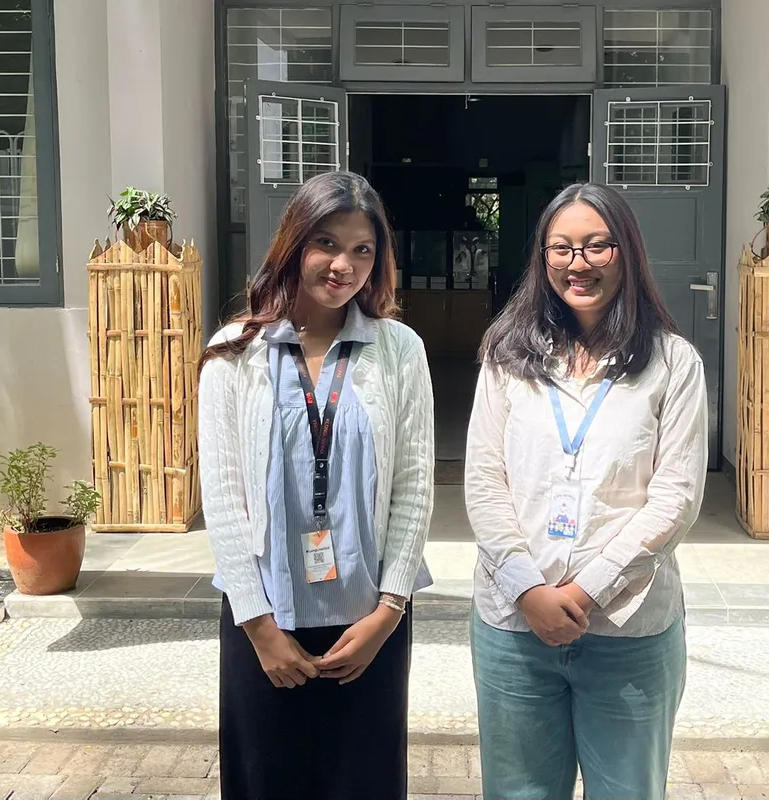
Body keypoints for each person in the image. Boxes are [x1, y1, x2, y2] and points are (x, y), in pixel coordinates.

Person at [465, 182, 708, 800]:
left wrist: (583, 590)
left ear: (626, 252)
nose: (579, 263)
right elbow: (483, 482)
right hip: (513, 625)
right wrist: (529, 589)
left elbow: (675, 498)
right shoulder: (506, 352)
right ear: (542, 258)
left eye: (598, 247)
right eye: (562, 248)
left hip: (629, 629)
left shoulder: (673, 363)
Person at [198, 170, 435, 800]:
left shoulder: (399, 350)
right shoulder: (235, 353)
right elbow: (221, 497)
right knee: (265, 782)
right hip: (266, 618)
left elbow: (413, 487)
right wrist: (260, 629)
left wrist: (390, 611)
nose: (344, 265)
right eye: (327, 243)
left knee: (366, 782)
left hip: (368, 622)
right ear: (294, 242)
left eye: (363, 250)